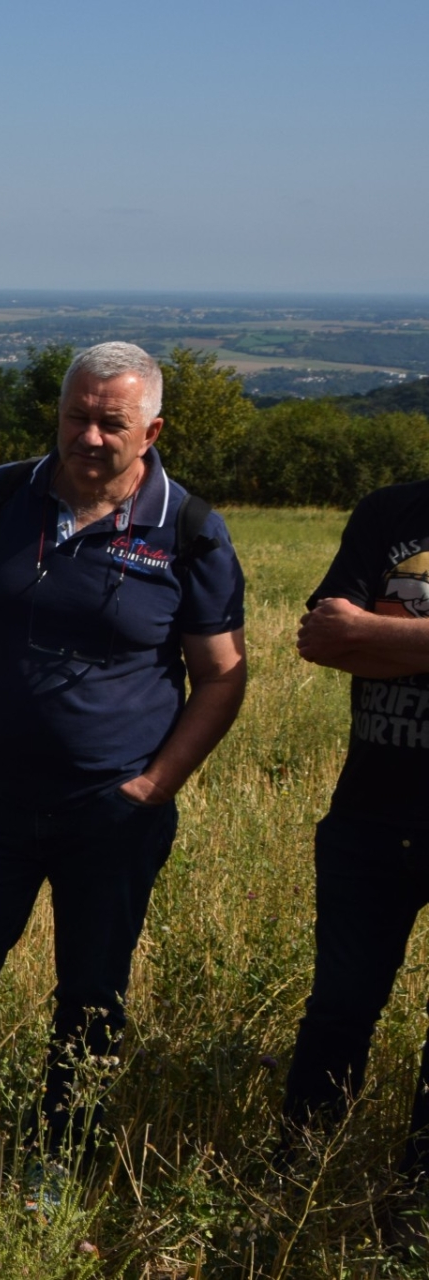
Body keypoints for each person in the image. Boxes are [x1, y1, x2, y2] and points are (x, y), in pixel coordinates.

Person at [0, 341, 248, 1198]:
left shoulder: (189, 529)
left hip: (111, 814)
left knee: (91, 995)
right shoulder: (3, 494)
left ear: (152, 429)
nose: (87, 436)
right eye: (74, 416)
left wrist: (155, 786)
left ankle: (61, 1158)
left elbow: (224, 676)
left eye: (110, 423)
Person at [280, 479, 429, 1177]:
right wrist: (361, 636)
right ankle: (301, 1170)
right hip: (370, 813)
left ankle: (417, 1198)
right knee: (339, 1010)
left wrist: (374, 631)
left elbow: (354, 632)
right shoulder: (388, 511)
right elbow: (323, 636)